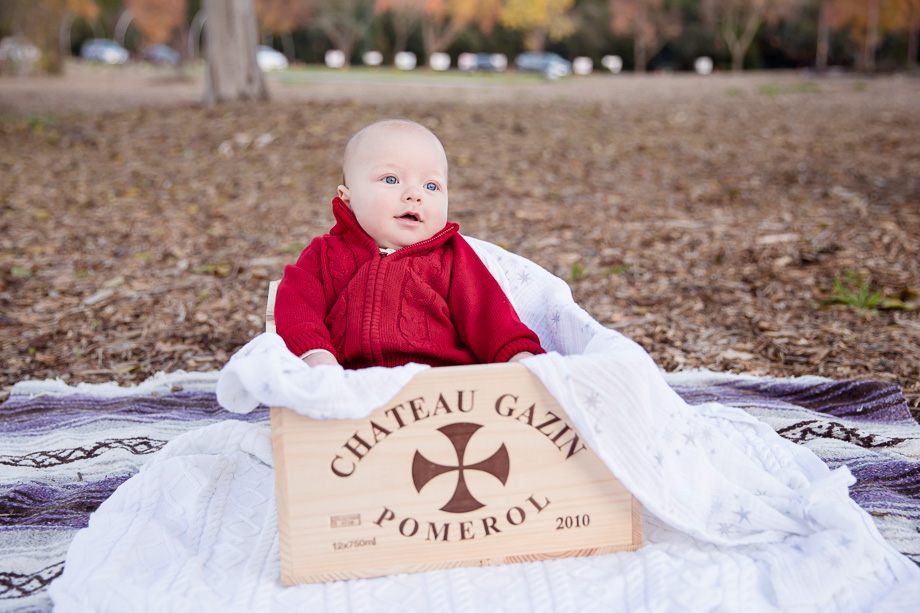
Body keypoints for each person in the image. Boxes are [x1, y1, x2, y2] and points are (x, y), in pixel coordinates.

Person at [274, 119, 545, 369]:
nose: (415, 194)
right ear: (348, 199)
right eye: (391, 179)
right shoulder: (324, 255)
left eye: (431, 186)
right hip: (348, 384)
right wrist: (316, 355)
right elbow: (298, 308)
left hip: (442, 389)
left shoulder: (451, 257)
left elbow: (489, 315)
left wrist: (517, 355)